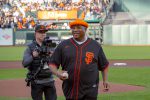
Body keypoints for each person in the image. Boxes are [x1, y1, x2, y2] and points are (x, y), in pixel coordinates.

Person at [49, 19, 109, 100]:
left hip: (90, 89)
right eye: (73, 28)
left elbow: (104, 65)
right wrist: (58, 73)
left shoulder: (95, 45)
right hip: (71, 88)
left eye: (78, 28)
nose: (75, 30)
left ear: (85, 29)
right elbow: (52, 64)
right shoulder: (63, 45)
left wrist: (105, 80)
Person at [22, 25, 57, 100]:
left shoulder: (50, 45)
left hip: (50, 80)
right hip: (37, 82)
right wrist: (33, 56)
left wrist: (53, 56)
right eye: (41, 32)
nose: (43, 34)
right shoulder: (30, 47)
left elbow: (58, 62)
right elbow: (24, 63)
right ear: (35, 34)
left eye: (44, 32)